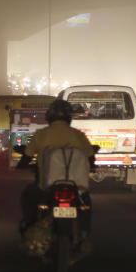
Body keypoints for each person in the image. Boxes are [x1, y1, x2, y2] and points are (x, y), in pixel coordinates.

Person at [17, 98, 97, 233]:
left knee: (29, 195)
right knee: (85, 202)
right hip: (76, 186)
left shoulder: (41, 134)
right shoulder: (77, 135)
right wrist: (92, 166)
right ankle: (84, 232)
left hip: (45, 185)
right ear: (69, 117)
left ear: (49, 116)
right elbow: (90, 157)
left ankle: (28, 225)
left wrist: (21, 165)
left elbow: (27, 155)